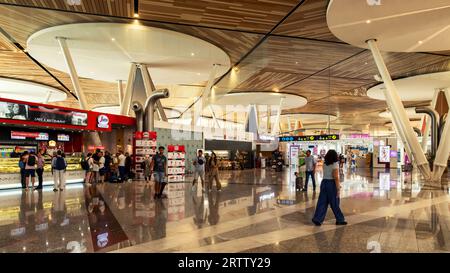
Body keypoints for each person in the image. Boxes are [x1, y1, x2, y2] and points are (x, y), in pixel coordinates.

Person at [312, 149, 347, 226]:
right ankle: (340, 219)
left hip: (324, 182)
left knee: (322, 202)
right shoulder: (335, 164)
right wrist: (338, 188)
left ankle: (317, 218)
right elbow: (336, 177)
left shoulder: (325, 163)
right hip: (331, 184)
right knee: (335, 202)